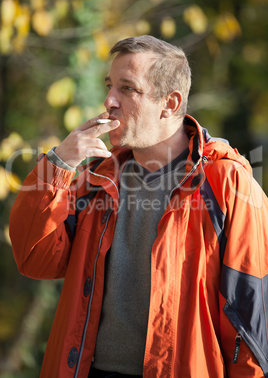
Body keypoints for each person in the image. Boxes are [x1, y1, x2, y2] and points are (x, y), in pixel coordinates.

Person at [9, 35, 268, 378]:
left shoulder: (227, 183)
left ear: (170, 103)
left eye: (127, 89)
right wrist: (57, 165)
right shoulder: (95, 179)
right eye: (110, 86)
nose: (109, 101)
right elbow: (34, 258)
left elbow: (250, 320)